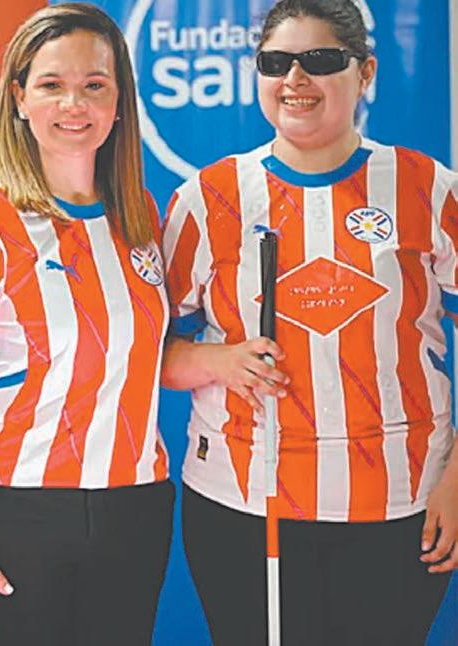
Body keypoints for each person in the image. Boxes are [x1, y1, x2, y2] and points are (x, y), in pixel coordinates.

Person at [161, 1, 458, 644]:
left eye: (320, 60)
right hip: (243, 503)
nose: (295, 79)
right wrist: (217, 361)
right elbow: (147, 353)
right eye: (276, 62)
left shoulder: (429, 188)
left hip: (403, 499)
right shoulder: (207, 200)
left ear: (366, 72)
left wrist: (457, 480)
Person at [0, 4, 174, 644]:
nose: (73, 104)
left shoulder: (137, 213)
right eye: (52, 84)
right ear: (19, 99)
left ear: (119, 102)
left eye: (94, 85)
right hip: (14, 511)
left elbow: (147, 357)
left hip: (134, 506)